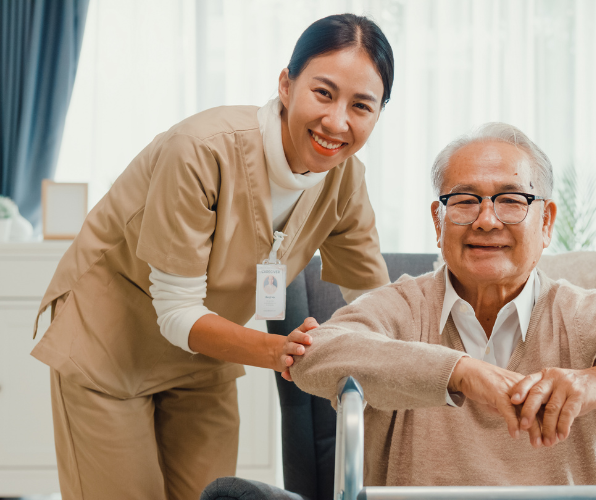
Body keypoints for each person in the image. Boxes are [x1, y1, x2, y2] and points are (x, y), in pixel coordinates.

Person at [31, 14, 394, 500]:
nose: (337, 122)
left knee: (210, 495)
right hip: (110, 342)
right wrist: (280, 351)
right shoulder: (201, 151)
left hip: (205, 355)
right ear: (287, 85)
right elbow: (177, 310)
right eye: (323, 93)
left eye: (361, 105)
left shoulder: (346, 181)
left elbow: (373, 299)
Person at [286, 122, 596, 487]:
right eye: (464, 201)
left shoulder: (593, 315)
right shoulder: (402, 308)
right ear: (439, 219)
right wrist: (462, 373)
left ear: (547, 220)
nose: (487, 220)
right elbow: (319, 353)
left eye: (511, 200)